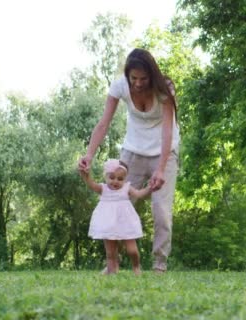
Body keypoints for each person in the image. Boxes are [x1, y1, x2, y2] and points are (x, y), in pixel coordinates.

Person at [78, 48, 180, 273]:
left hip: (164, 153)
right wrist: (89, 155)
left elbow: (167, 131)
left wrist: (161, 169)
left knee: (161, 211)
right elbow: (104, 123)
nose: (138, 83)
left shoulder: (164, 89)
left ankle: (159, 265)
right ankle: (112, 263)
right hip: (132, 151)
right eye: (134, 78)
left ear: (152, 75)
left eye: (143, 79)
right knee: (114, 204)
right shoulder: (120, 86)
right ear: (127, 75)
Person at [79, 159, 151, 275]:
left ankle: (136, 266)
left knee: (132, 250)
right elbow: (90, 183)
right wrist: (85, 174)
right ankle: (112, 271)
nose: (115, 181)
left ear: (125, 179)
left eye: (120, 179)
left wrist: (149, 188)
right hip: (108, 223)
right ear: (105, 176)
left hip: (125, 222)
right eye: (112, 177)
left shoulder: (127, 188)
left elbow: (139, 194)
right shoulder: (103, 188)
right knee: (111, 253)